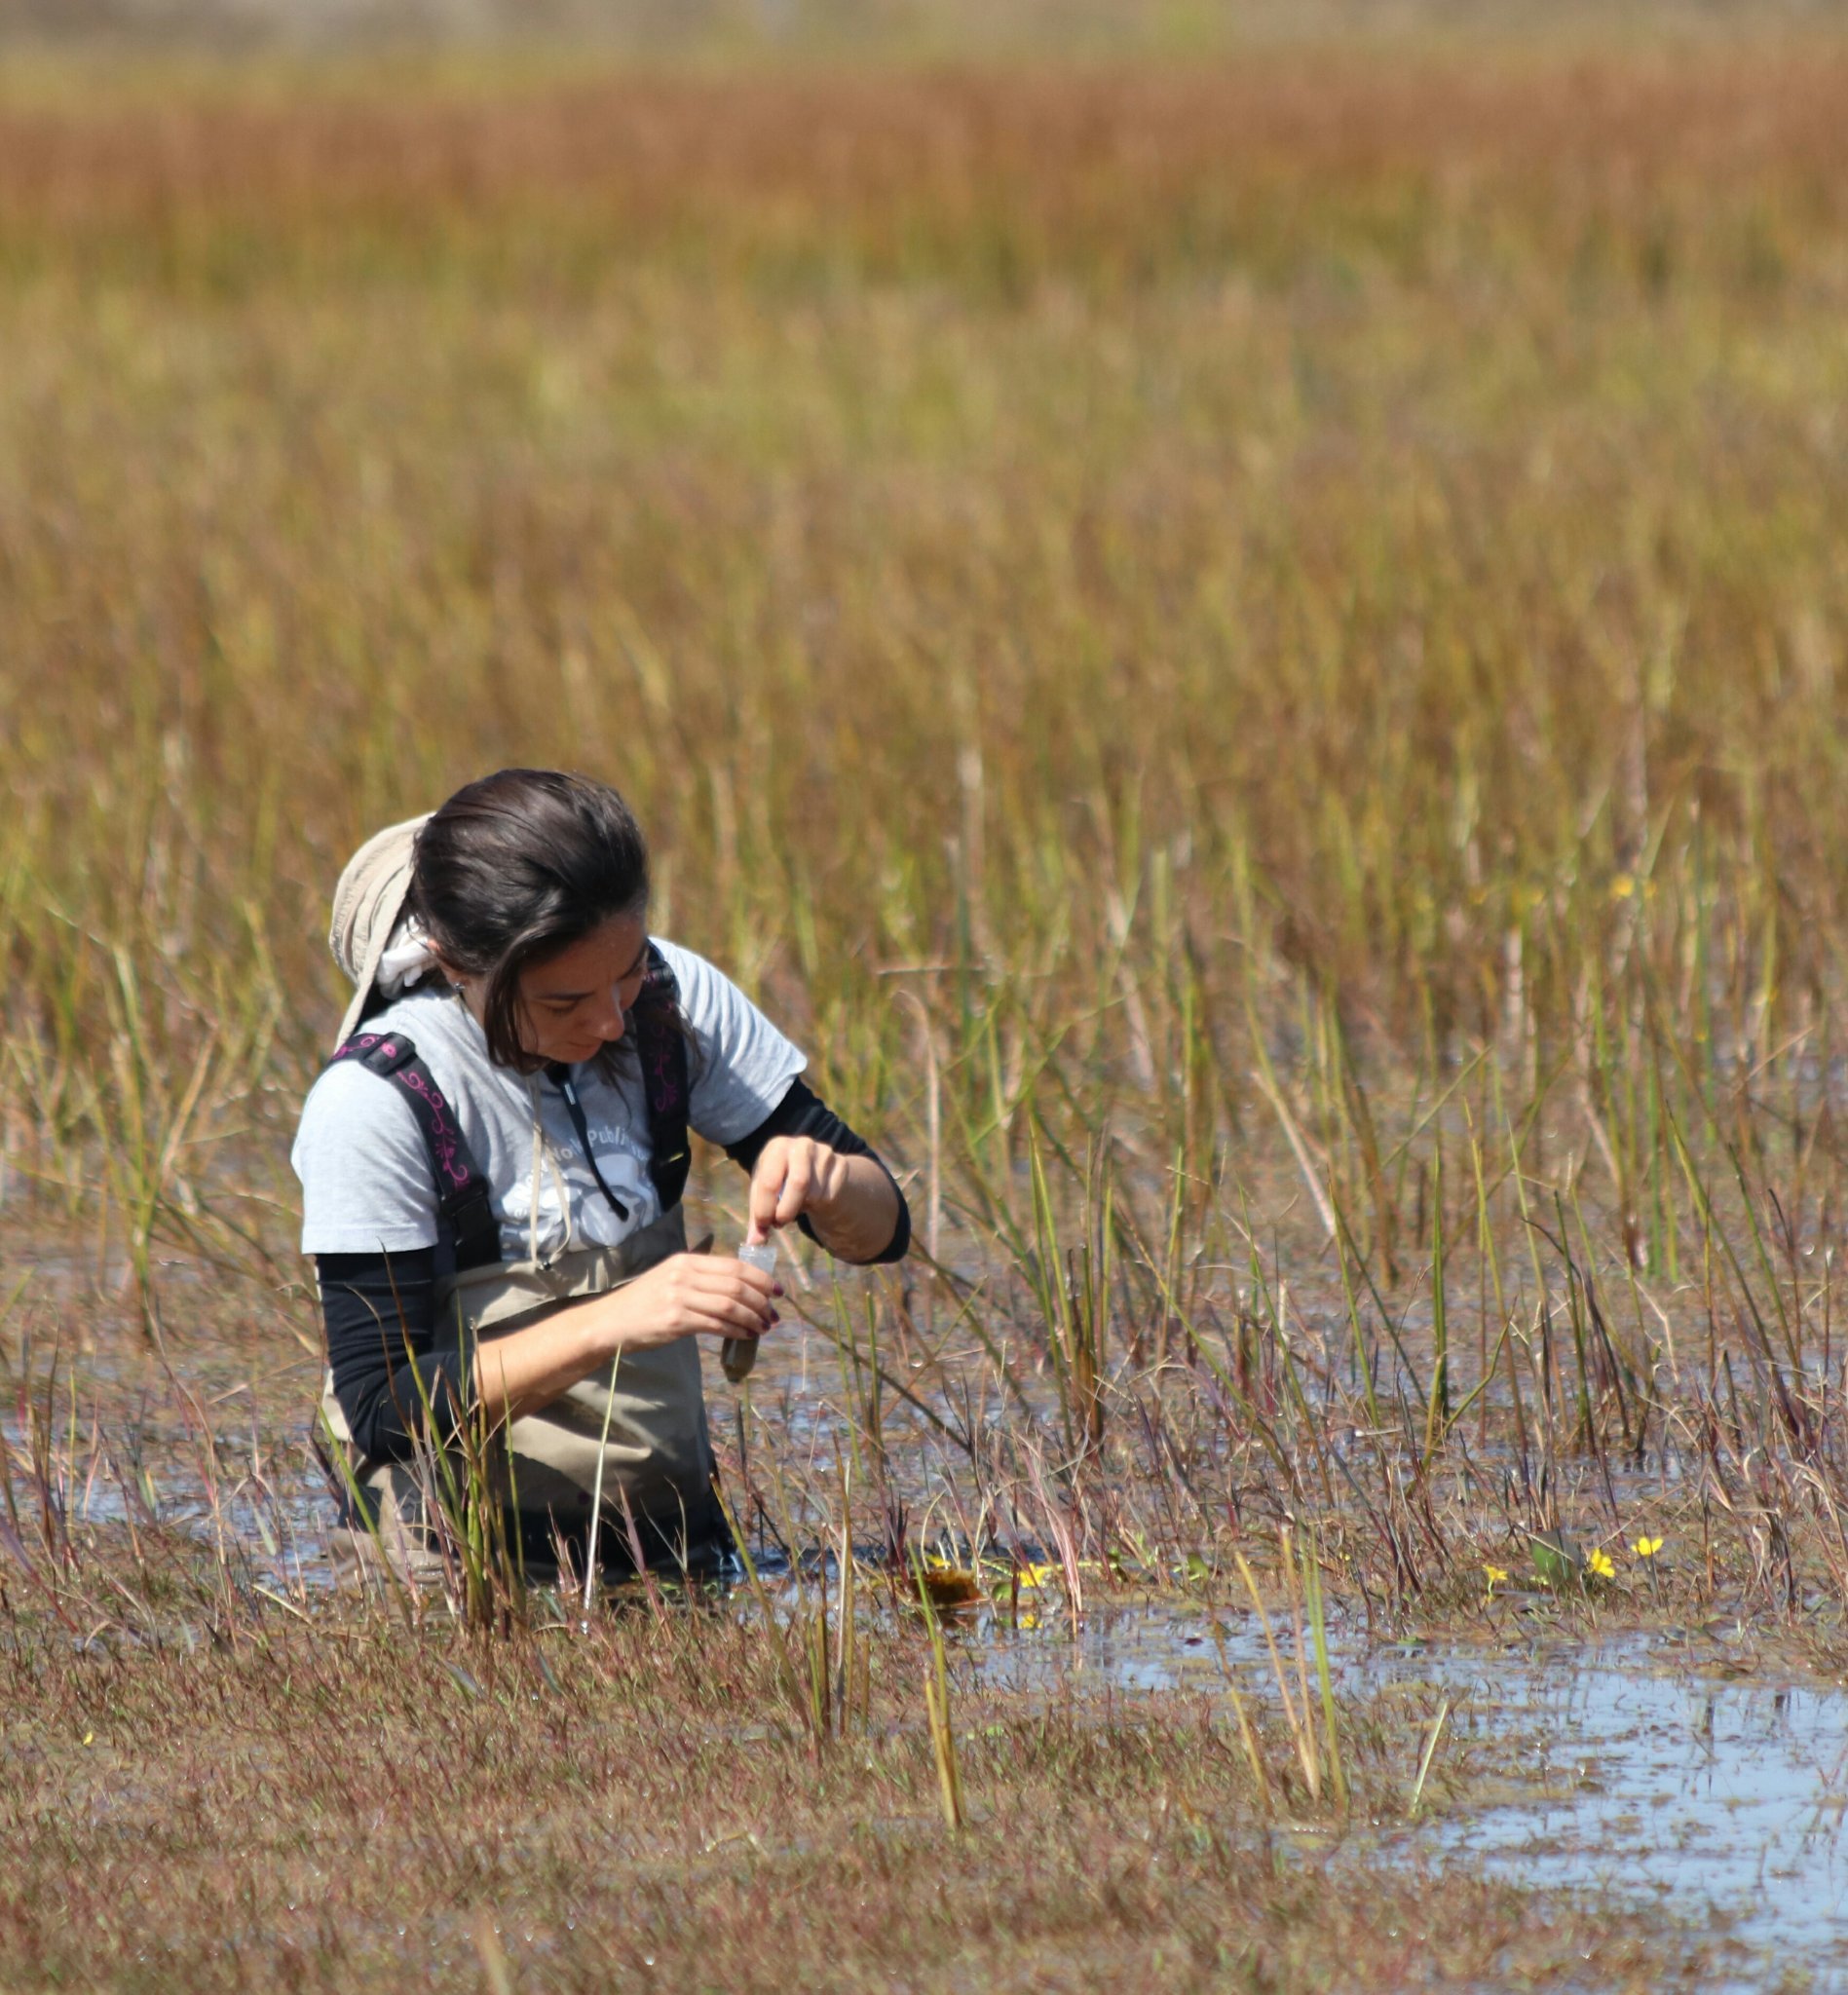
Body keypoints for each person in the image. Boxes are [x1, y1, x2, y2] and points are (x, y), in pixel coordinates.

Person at [292, 768, 908, 1581]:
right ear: (454, 964)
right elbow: (383, 1412)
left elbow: (884, 1236)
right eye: (562, 1002)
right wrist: (615, 1317)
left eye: (626, 973)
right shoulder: (375, 1101)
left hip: (665, 1536)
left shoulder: (670, 997)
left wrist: (831, 1182)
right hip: (455, 1562)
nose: (613, 1019)